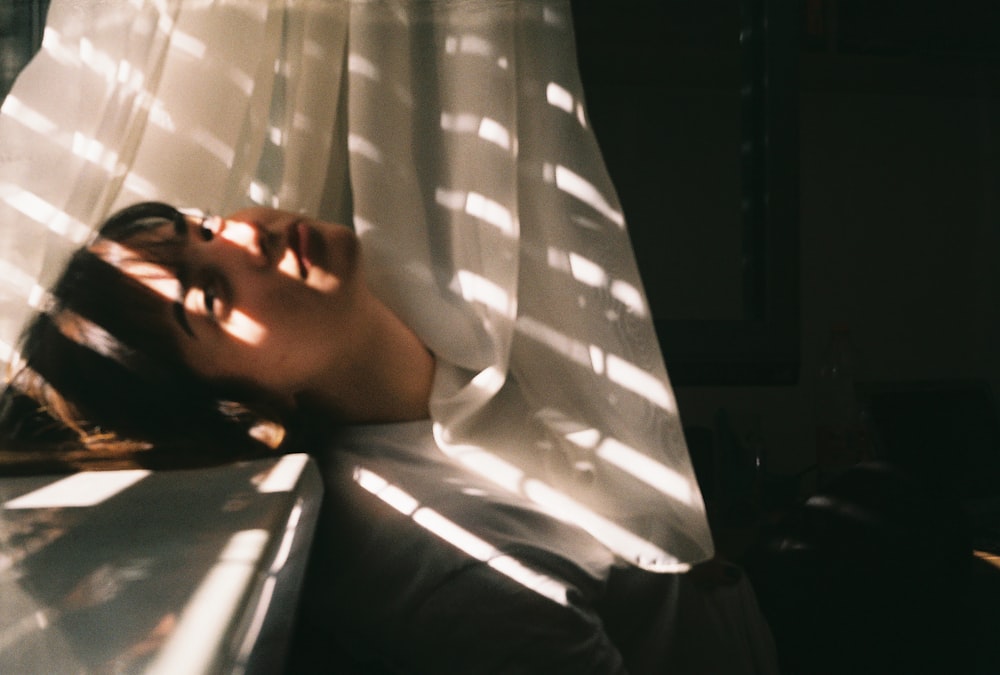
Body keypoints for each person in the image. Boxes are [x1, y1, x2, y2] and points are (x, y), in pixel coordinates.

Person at [0, 202, 779, 673]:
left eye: (201, 228)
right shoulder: (433, 557)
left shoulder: (466, 304)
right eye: (211, 294)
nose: (242, 234)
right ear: (247, 411)